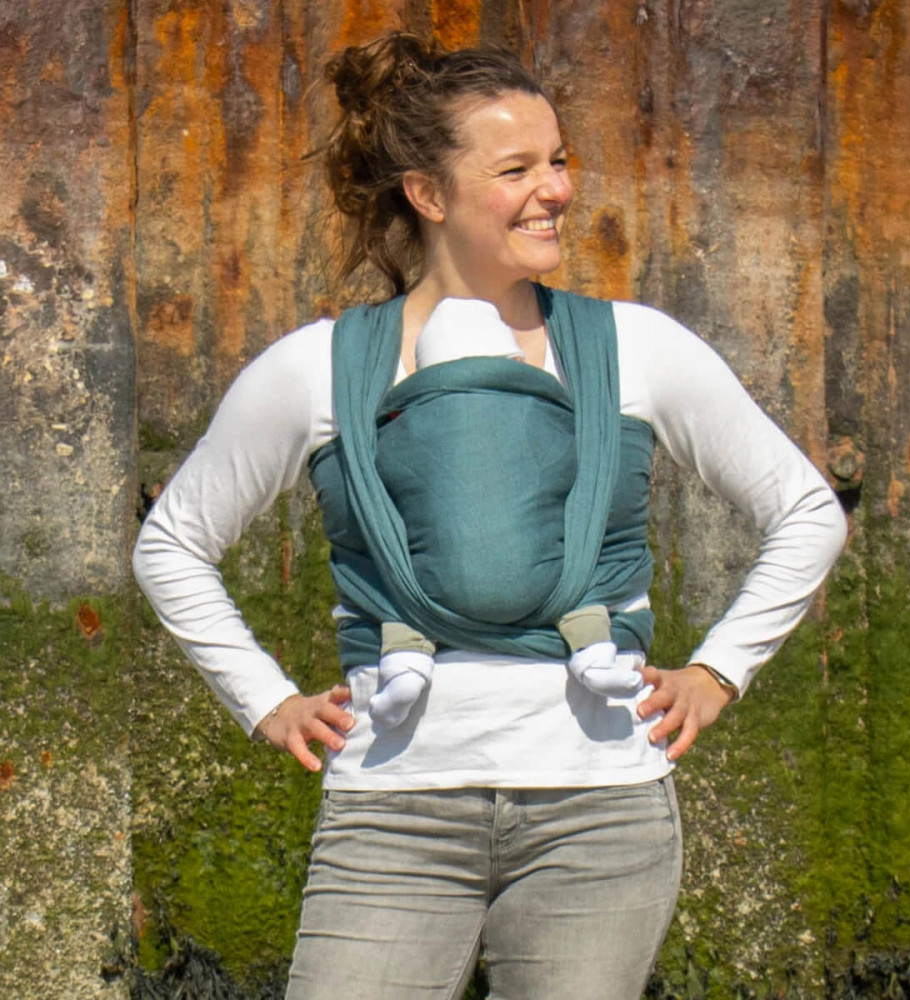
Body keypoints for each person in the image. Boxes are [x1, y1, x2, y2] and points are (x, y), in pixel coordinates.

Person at [132, 31, 847, 1000]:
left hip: (599, 815)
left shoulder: (635, 347)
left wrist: (718, 672)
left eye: (558, 160)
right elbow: (173, 544)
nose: (556, 189)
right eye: (517, 170)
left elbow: (806, 509)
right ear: (428, 194)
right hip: (394, 814)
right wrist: (265, 699)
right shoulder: (319, 367)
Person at [370, 294, 641, 729]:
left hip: (430, 594)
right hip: (549, 587)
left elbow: (385, 487)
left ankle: (405, 665)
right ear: (514, 360)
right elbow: (574, 474)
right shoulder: (548, 414)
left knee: (399, 605)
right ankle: (594, 656)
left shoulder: (399, 429)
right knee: (580, 589)